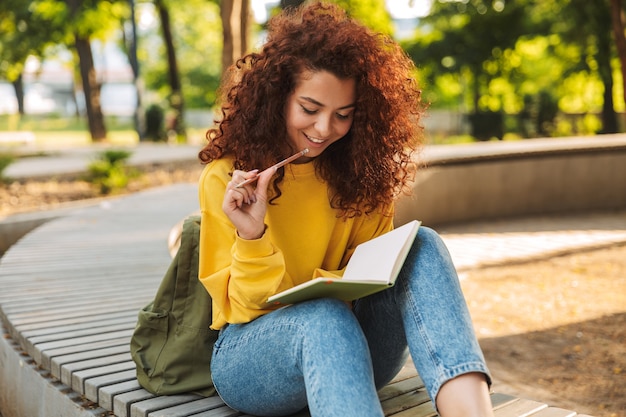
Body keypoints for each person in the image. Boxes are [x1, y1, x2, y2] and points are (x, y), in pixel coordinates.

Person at [197, 2, 493, 416]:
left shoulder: (362, 174)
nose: (323, 130)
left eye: (343, 115)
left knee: (421, 245)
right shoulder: (228, 179)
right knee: (323, 316)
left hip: (352, 349)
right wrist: (252, 235)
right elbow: (242, 309)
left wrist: (332, 285)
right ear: (276, 97)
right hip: (251, 361)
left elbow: (371, 279)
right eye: (310, 109)